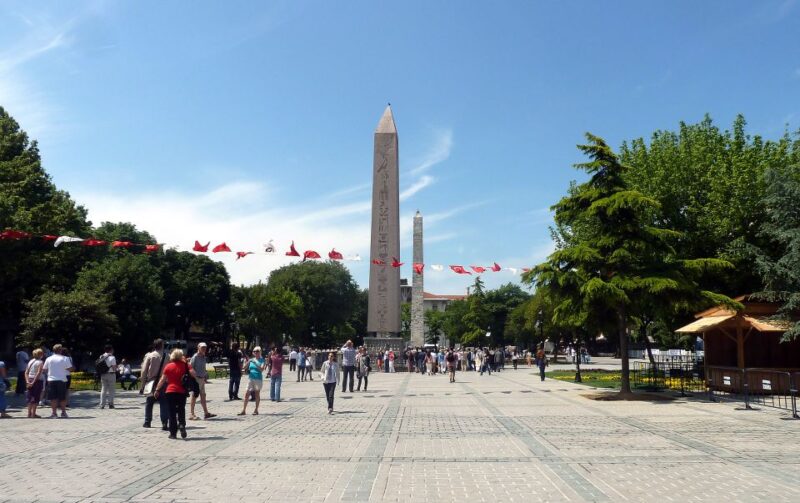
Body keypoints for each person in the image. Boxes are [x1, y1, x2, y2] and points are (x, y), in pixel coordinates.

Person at [154, 349, 195, 439]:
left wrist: (157, 390)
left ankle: (173, 433)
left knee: (171, 412)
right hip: (182, 391)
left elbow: (162, 380)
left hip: (170, 391)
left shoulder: (168, 366)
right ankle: (182, 425)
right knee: (181, 409)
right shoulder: (185, 365)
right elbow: (193, 374)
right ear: (181, 356)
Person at [141, 339, 168, 430]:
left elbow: (144, 371)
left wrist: (143, 384)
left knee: (149, 403)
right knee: (164, 403)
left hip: (151, 381)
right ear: (162, 345)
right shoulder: (167, 356)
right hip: (163, 381)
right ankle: (164, 423)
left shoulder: (150, 356)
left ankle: (147, 422)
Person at [43, 344, 74, 418]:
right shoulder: (65, 358)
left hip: (51, 380)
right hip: (62, 379)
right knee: (62, 397)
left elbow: (44, 369)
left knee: (53, 398)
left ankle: (54, 413)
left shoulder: (49, 358)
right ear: (60, 350)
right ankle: (63, 412)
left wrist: (50, 372)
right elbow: (70, 369)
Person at [189, 343, 216, 420]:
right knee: (194, 396)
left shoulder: (204, 356)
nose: (204, 349)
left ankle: (206, 413)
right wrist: (194, 379)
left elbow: (203, 368)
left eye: (205, 347)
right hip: (196, 379)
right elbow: (190, 368)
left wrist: (205, 376)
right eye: (202, 347)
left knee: (203, 396)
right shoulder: (195, 357)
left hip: (202, 379)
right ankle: (191, 414)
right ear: (198, 347)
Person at [239, 347, 266, 415]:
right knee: (246, 394)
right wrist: (247, 362)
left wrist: (256, 363)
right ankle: (243, 410)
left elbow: (262, 369)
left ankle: (256, 410)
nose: (256, 352)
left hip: (258, 379)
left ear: (260, 352)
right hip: (250, 378)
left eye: (257, 351)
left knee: (257, 394)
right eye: (254, 351)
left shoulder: (262, 360)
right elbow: (244, 367)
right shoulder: (251, 360)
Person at [25, 348, 45, 418]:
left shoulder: (31, 361)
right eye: (42, 353)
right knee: (36, 397)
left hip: (29, 379)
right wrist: (33, 382)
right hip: (37, 381)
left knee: (30, 396)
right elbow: (38, 373)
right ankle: (33, 414)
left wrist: (27, 381)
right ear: (40, 354)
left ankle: (29, 413)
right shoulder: (40, 362)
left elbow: (26, 372)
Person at [98, 345, 118, 409]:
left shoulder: (101, 356)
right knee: (111, 390)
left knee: (103, 389)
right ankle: (110, 404)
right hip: (111, 374)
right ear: (111, 350)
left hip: (103, 374)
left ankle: (102, 405)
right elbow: (114, 368)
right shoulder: (112, 357)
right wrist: (117, 369)